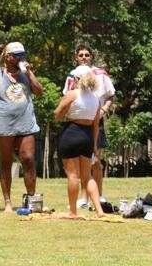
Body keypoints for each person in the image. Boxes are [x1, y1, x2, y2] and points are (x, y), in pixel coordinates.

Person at [0, 42, 43, 213]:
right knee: (6, 162)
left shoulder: (26, 74)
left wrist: (29, 73)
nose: (20, 58)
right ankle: (7, 202)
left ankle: (31, 200)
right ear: (8, 57)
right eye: (17, 55)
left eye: (22, 55)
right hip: (3, 124)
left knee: (28, 159)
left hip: (26, 123)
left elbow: (39, 91)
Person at [62, 44, 115, 205]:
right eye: (81, 55)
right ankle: (84, 197)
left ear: (91, 57)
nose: (84, 57)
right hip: (77, 122)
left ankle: (98, 196)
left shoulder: (100, 74)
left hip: (95, 121)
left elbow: (111, 96)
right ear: (75, 57)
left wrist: (103, 110)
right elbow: (66, 97)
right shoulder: (72, 76)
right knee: (80, 162)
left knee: (96, 160)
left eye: (87, 55)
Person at [54, 65, 104, 218]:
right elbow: (96, 125)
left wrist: (63, 113)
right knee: (87, 176)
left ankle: (73, 212)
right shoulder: (96, 99)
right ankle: (99, 210)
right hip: (87, 136)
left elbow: (57, 114)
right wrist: (94, 146)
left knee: (72, 175)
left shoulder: (72, 94)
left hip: (72, 133)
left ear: (76, 79)